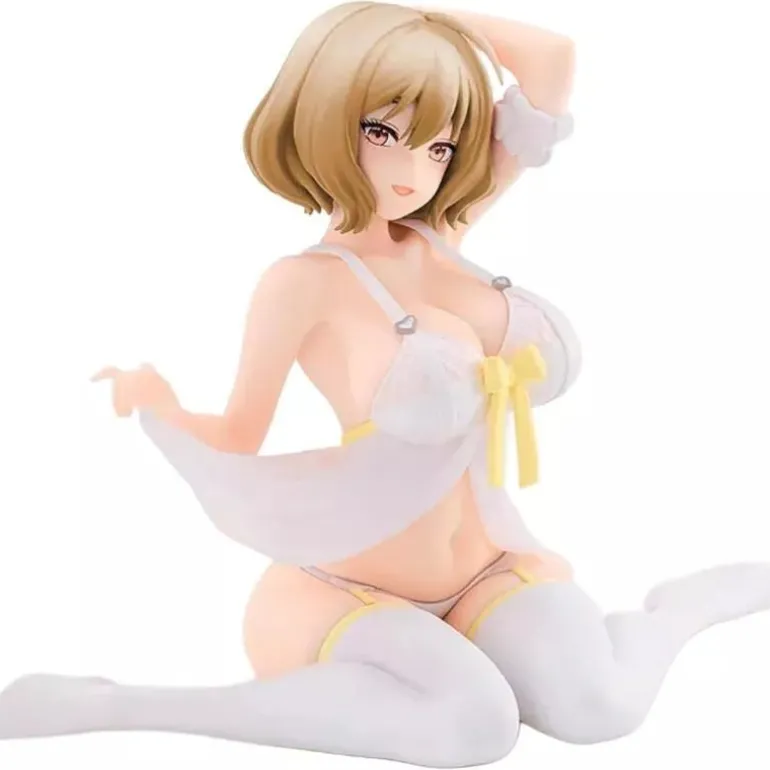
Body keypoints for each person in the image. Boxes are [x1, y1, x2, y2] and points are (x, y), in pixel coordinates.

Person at [2, 3, 769, 767]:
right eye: (381, 132)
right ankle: (121, 704)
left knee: (600, 707)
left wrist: (423, 20)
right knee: (477, 728)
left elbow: (552, 61)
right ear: (326, 115)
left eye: (438, 145)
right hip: (347, 588)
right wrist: (158, 405)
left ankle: (677, 613)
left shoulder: (447, 235)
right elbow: (238, 434)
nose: (413, 171)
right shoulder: (301, 283)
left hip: (488, 572)